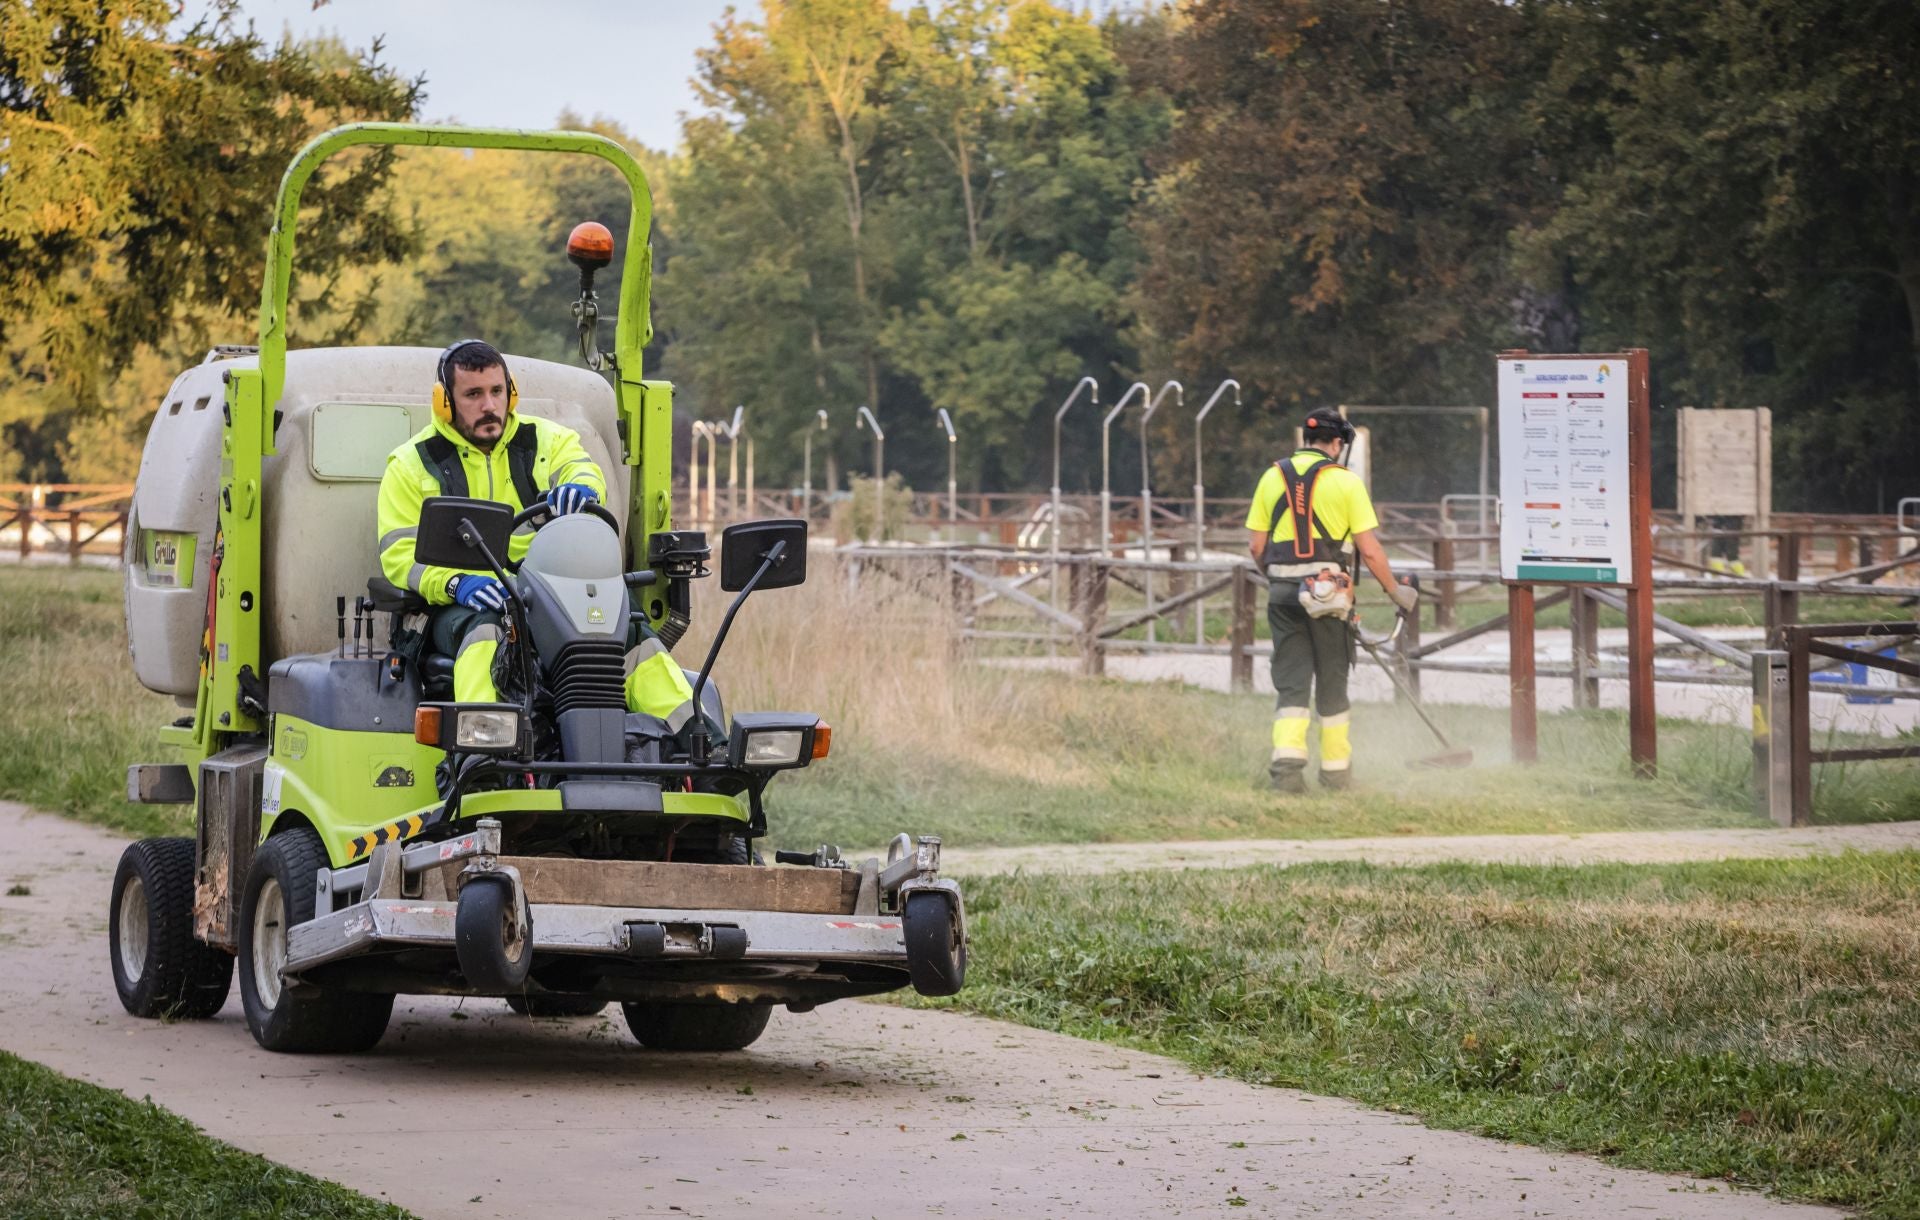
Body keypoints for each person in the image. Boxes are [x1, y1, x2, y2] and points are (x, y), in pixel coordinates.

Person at [376, 339, 700, 728]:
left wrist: (581, 489)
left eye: (497, 392)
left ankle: (696, 744)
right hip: (460, 604)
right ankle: (483, 748)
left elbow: (581, 469)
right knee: (487, 632)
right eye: (473, 395)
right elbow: (400, 555)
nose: (489, 406)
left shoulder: (549, 440)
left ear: (511, 393)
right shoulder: (411, 465)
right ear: (444, 402)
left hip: (549, 592)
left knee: (628, 632)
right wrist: (456, 583)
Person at [1245, 408, 1418, 793]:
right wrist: (1396, 591)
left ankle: (1287, 775)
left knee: (1292, 686)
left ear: (1308, 440)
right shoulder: (1346, 482)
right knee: (1332, 683)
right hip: (1329, 598)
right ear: (1337, 444)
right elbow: (1369, 551)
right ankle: (1336, 775)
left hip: (1283, 595)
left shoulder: (1272, 476)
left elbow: (1256, 545)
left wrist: (1277, 576)